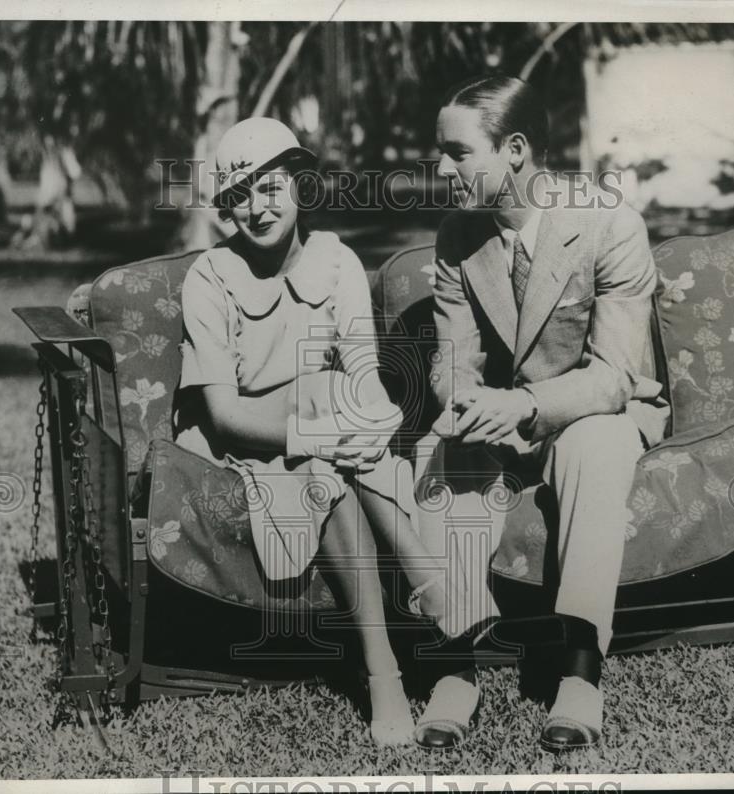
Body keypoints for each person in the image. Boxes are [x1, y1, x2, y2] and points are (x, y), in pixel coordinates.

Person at [174, 117, 462, 746]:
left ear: (301, 186)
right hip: (243, 443)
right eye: (240, 196)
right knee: (323, 434)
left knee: (335, 433)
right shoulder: (210, 278)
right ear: (226, 209)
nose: (258, 207)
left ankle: (399, 632)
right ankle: (401, 636)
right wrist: (322, 434)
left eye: (271, 187)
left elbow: (364, 378)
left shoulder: (336, 261)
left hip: (322, 432)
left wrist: (373, 424)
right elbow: (224, 414)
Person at [412, 76, 669, 751]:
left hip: (594, 411)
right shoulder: (457, 236)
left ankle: (580, 670)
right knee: (440, 451)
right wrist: (465, 405)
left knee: (599, 444)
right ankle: (456, 665)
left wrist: (523, 403)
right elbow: (451, 361)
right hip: (505, 417)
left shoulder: (610, 221)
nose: (441, 169)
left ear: (516, 149)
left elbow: (615, 377)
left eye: (458, 153)